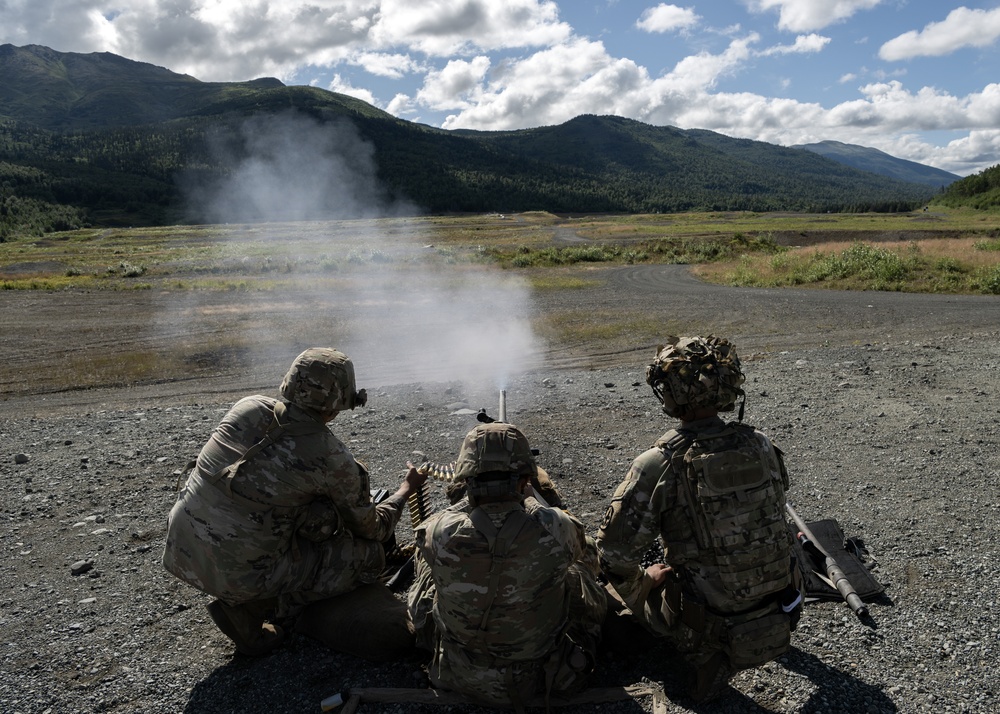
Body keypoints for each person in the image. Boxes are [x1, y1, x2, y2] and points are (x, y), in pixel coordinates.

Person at [162, 347, 426, 656]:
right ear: (337, 404)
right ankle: (251, 610)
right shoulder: (330, 454)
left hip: (182, 548)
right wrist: (405, 490)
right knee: (370, 556)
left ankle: (257, 591)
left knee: (312, 514)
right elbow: (374, 529)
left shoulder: (248, 407)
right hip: (237, 575)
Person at [596, 335, 802, 703]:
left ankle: (703, 651)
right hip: (781, 602)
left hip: (711, 618)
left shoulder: (659, 462)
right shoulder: (759, 442)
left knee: (614, 586)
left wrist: (647, 581)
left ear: (673, 395)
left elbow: (613, 554)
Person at [407, 422, 606, 711]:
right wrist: (533, 502)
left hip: (458, 673)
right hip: (541, 677)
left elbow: (434, 528)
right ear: (525, 479)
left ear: (466, 477)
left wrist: (472, 500)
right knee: (577, 572)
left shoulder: (441, 532)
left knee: (427, 571)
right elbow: (589, 552)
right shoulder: (553, 527)